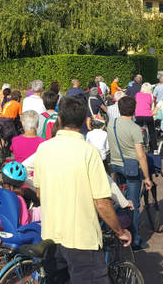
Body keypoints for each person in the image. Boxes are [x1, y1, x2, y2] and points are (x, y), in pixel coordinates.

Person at [34, 95, 131, 283]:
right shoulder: (89, 152)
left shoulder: (43, 149)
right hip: (82, 240)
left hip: (51, 237)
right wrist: (120, 231)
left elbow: (39, 192)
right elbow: (102, 202)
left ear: (59, 120)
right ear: (84, 122)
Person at [107, 96, 153, 252]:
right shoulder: (134, 128)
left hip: (115, 164)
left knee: (120, 199)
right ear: (134, 109)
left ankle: (117, 230)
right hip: (131, 167)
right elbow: (141, 155)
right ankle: (135, 240)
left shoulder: (111, 124)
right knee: (133, 203)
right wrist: (147, 177)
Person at [134, 82, 156, 153]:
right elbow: (152, 107)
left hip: (138, 115)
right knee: (152, 132)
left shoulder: (137, 95)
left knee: (137, 131)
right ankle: (153, 148)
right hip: (148, 115)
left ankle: (136, 147)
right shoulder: (151, 96)